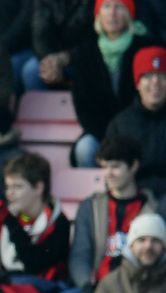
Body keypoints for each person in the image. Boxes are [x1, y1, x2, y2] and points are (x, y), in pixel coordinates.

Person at [55, 135, 158, 293]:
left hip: (140, 290)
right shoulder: (90, 206)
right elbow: (80, 255)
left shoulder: (152, 208)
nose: (108, 173)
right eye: (105, 166)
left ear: (133, 166)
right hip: (97, 288)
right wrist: (87, 287)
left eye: (116, 167)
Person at [70, 0, 151, 167]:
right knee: (85, 148)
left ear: (129, 14)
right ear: (98, 14)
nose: (112, 13)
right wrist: (109, 137)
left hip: (138, 128)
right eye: (106, 6)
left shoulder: (144, 48)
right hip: (100, 132)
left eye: (119, 7)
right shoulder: (84, 52)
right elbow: (83, 106)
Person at [0, 153, 71, 293]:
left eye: (18, 187)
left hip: (48, 288)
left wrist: (10, 222)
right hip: (11, 285)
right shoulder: (4, 221)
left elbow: (33, 265)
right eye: (8, 187)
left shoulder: (59, 222)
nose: (9, 194)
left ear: (38, 187)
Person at [79, 213, 166, 293]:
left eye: (155, 240)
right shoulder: (111, 283)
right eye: (141, 240)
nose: (148, 246)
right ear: (131, 245)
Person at [106, 45, 166, 197]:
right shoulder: (121, 124)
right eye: (147, 76)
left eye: (162, 76)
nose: (155, 82)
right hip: (134, 199)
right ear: (138, 83)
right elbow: (112, 173)